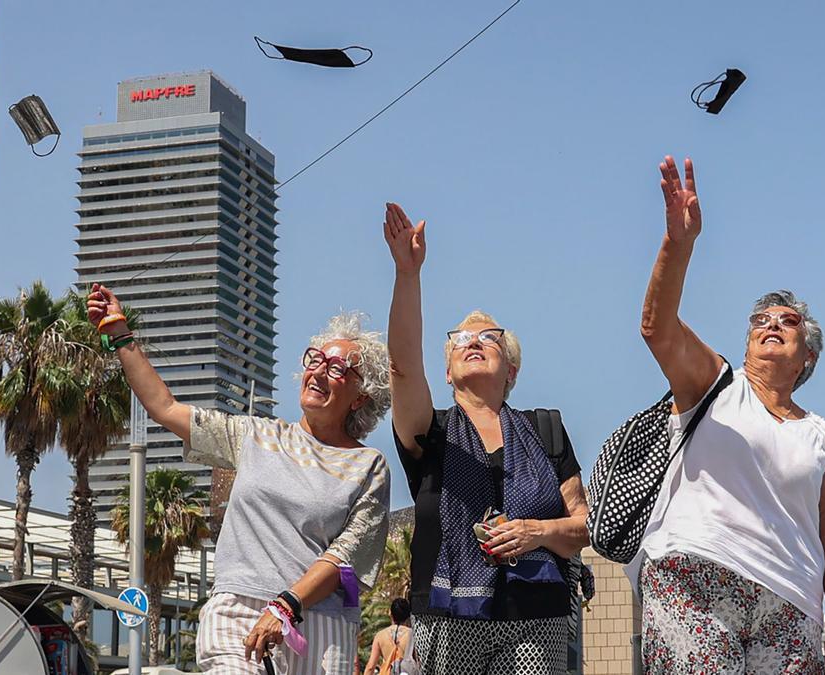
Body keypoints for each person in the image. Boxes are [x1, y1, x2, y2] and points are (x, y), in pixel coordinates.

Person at [629, 155, 825, 675]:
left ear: (809, 356)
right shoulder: (714, 385)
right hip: (694, 575)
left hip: (789, 606)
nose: (772, 324)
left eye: (788, 321)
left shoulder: (818, 436)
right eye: (761, 318)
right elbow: (658, 327)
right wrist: (679, 242)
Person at [87, 284, 392, 675]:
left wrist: (287, 605)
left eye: (336, 368)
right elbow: (165, 407)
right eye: (315, 360)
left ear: (361, 396)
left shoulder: (367, 465)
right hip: (237, 610)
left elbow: (346, 557)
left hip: (319, 626)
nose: (317, 372)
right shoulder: (256, 436)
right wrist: (120, 335)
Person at [382, 203, 590, 675]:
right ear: (448, 370)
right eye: (460, 339)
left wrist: (534, 531)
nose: (473, 341)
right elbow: (402, 365)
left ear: (512, 368)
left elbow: (583, 528)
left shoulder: (545, 430)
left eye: (489, 337)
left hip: (538, 616)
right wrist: (407, 273)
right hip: (448, 615)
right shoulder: (430, 430)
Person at [362, 598, 418, 675]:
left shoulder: (380, 636)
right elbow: (419, 662)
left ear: (391, 614)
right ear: (408, 616)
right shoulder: (413, 635)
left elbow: (370, 667)